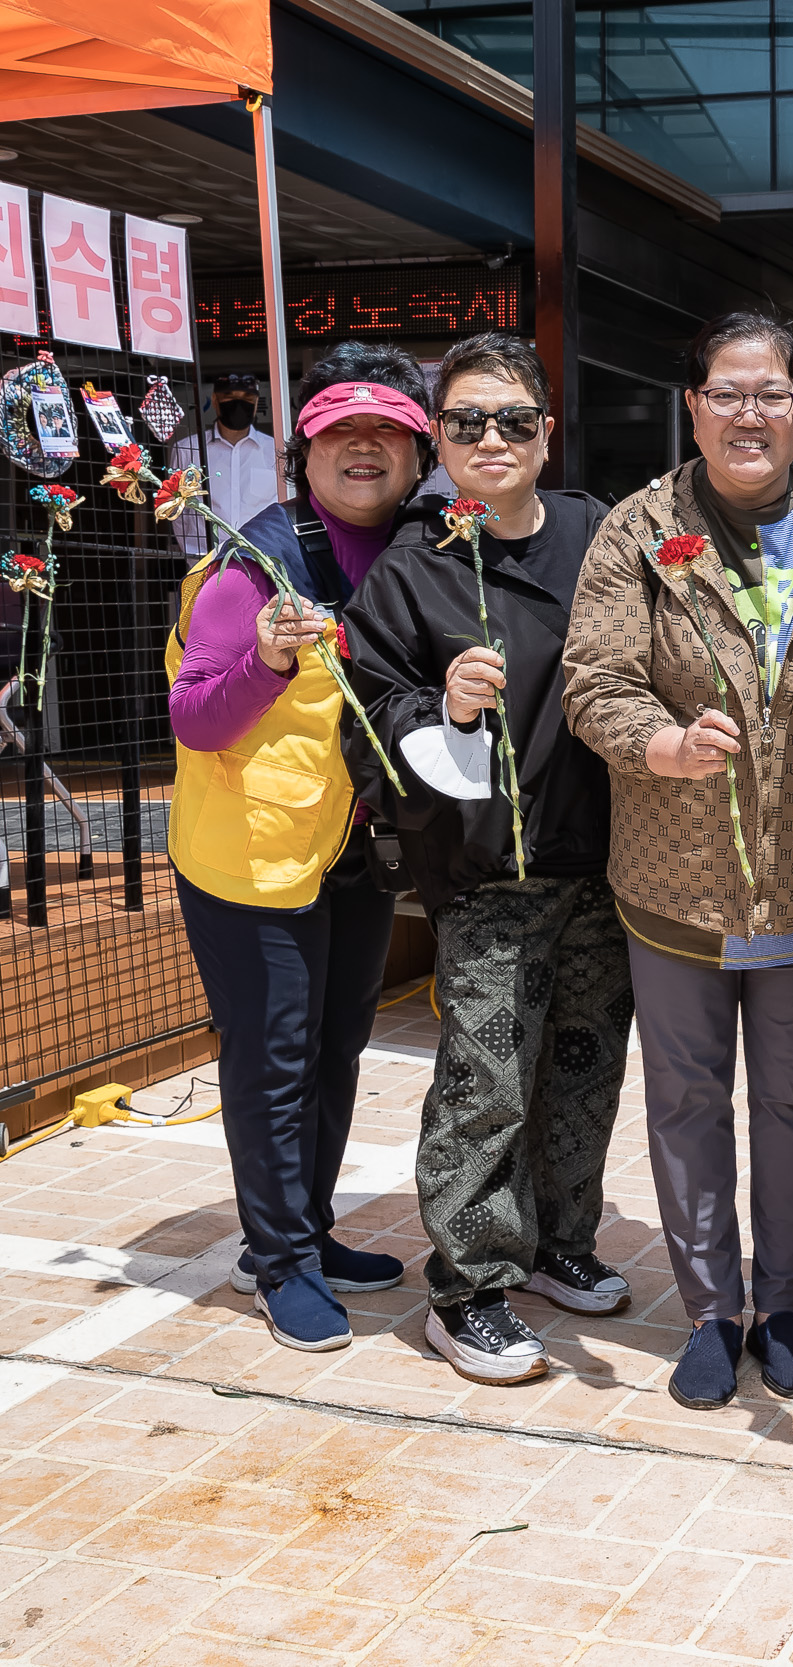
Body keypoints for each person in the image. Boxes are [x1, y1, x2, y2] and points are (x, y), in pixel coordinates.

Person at [563, 311, 793, 1411]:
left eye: (771, 393)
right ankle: (710, 1307)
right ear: (691, 407)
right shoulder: (637, 529)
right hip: (674, 874)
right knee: (687, 1098)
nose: (749, 413)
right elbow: (594, 678)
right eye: (726, 393)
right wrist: (659, 742)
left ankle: (782, 1305)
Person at [343, 333, 633, 1386]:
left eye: (514, 418)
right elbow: (369, 725)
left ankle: (559, 1238)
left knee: (585, 1067)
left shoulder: (602, 534)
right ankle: (466, 1288)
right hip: (486, 873)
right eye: (466, 421)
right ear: (440, 438)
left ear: (547, 430)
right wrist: (443, 705)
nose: (492, 439)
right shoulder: (409, 575)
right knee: (485, 1079)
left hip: (604, 860)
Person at [166, 342, 434, 1352]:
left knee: (335, 1044)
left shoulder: (418, 550)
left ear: (415, 454)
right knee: (274, 1057)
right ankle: (276, 1260)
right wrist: (269, 661)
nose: (363, 447)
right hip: (252, 859)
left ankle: (304, 1229)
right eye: (340, 430)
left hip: (353, 853)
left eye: (387, 433)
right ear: (306, 449)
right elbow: (194, 718)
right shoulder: (253, 564)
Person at [170, 372, 284, 556]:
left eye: (247, 398)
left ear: (256, 403)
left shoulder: (276, 450)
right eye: (229, 397)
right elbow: (177, 512)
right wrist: (194, 554)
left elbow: (283, 505)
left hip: (263, 560)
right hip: (205, 561)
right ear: (215, 400)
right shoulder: (188, 449)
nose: (239, 403)